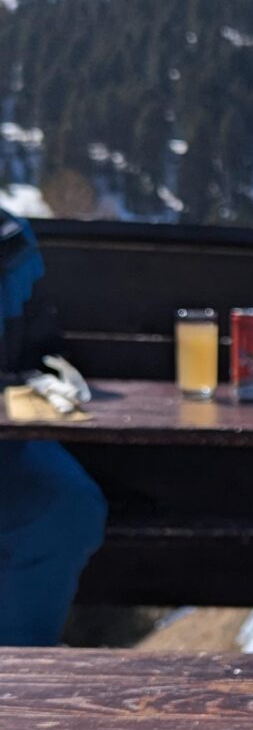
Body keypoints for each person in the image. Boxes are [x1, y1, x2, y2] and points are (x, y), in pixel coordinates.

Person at [0, 213, 107, 644]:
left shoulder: (12, 243)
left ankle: (18, 674)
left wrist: (42, 374)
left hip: (8, 447)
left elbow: (35, 344)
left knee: (67, 506)